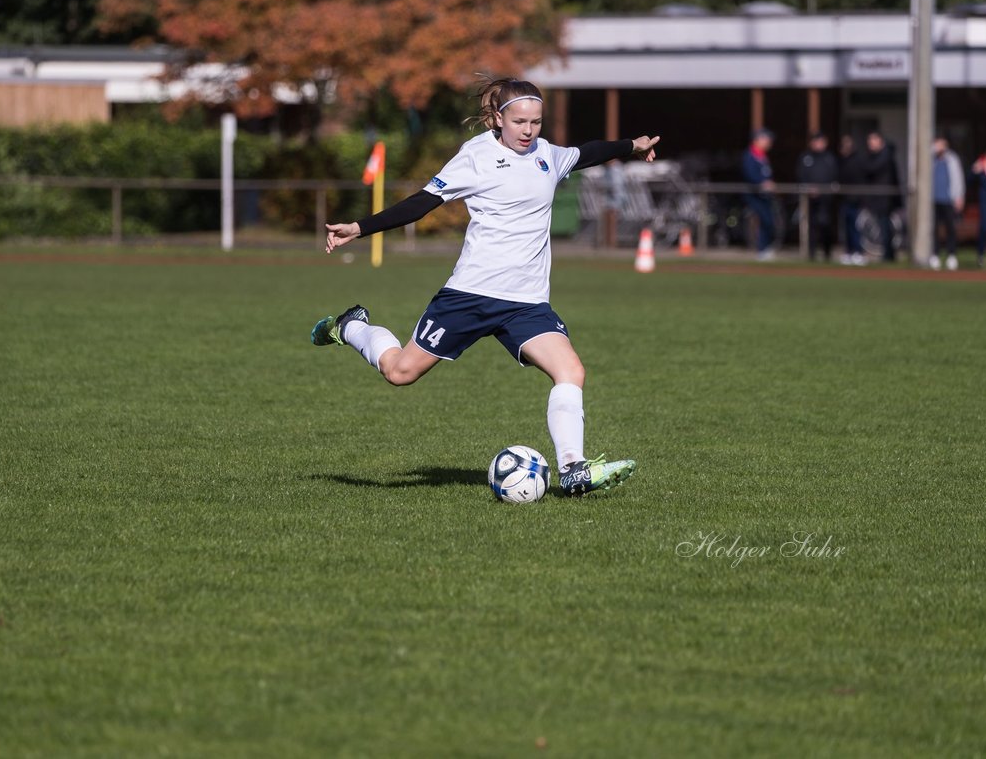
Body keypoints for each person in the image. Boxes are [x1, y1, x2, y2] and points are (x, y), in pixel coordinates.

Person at [311, 77, 659, 496]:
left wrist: (631, 146)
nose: (529, 131)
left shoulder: (547, 155)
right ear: (498, 118)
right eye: (519, 122)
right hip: (471, 296)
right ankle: (352, 326)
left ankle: (573, 468)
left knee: (571, 371)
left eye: (536, 122)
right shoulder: (475, 157)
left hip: (527, 303)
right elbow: (422, 203)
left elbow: (588, 153)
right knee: (400, 373)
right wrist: (359, 228)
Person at [795, 132, 838, 261]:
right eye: (816, 141)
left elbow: (834, 176)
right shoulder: (805, 157)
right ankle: (811, 254)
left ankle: (827, 253)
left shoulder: (830, 158)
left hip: (826, 199)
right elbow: (800, 175)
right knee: (811, 226)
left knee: (826, 225)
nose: (818, 144)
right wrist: (809, 188)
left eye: (821, 141)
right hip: (810, 200)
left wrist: (826, 189)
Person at [861, 131, 900, 262]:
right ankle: (889, 254)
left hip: (885, 198)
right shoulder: (876, 156)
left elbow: (871, 169)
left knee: (885, 226)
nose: (870, 144)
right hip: (878, 197)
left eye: (873, 140)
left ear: (880, 141)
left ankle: (888, 255)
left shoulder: (884, 157)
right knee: (883, 225)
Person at [930, 136, 965, 270]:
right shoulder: (931, 159)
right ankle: (935, 255)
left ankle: (951, 255)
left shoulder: (952, 159)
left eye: (941, 144)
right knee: (934, 229)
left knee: (950, 228)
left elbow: (958, 178)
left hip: (949, 199)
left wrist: (959, 196)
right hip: (934, 200)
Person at [741, 129, 777, 261]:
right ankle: (762, 249)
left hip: (764, 196)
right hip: (754, 195)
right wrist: (762, 183)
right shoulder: (750, 155)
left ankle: (765, 248)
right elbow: (750, 174)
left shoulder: (762, 156)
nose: (769, 142)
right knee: (764, 220)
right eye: (766, 139)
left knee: (768, 221)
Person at [837, 135, 867, 265]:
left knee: (855, 227)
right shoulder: (841, 161)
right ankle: (849, 251)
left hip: (855, 199)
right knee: (847, 227)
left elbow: (859, 178)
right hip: (845, 199)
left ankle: (858, 252)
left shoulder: (857, 160)